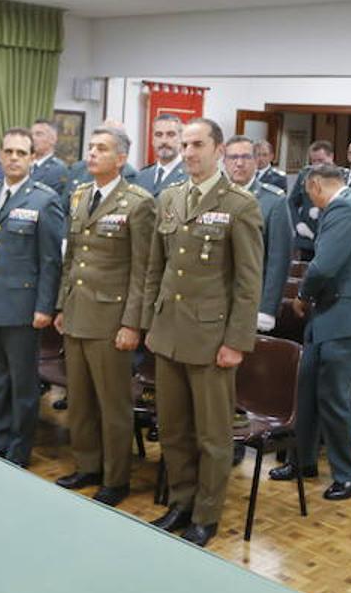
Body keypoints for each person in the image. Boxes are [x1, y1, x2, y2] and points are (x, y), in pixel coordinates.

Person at [141, 118, 264, 547]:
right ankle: (180, 501)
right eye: (184, 143)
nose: (189, 152)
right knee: (172, 428)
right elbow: (156, 268)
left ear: (218, 150)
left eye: (198, 144)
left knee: (212, 436)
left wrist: (236, 342)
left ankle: (206, 514)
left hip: (212, 339)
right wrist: (148, 324)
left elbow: (249, 282)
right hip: (168, 332)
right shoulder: (170, 197)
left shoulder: (239, 204)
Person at [272, 163, 351, 500]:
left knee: (333, 394)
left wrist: (302, 295)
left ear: (314, 185)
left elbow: (324, 264)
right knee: (307, 385)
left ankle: (350, 474)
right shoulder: (350, 204)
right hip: (333, 312)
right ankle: (303, 460)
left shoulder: (345, 207)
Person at [54, 125, 155, 505]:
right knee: (79, 399)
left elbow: (143, 271)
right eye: (91, 148)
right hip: (79, 311)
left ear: (122, 158)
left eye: (101, 148)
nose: (91, 154)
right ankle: (87, 465)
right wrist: (63, 304)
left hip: (112, 320)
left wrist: (132, 323)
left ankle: (116, 478)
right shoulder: (80, 195)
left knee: (112, 404)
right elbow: (71, 258)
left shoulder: (139, 202)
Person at [0, 128, 64, 466]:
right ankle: (0, 439)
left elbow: (51, 261)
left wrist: (44, 307)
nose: (14, 158)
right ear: (0, 156)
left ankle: (19, 449)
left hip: (23, 308)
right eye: (9, 152)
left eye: (22, 153)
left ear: (33, 158)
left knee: (23, 384)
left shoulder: (44, 199)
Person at [224, 135, 292, 334]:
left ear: (256, 161)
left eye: (246, 157)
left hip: (250, 300)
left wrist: (267, 309)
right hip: (213, 301)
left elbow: (279, 260)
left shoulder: (273, 201)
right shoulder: (214, 196)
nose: (239, 163)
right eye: (233, 158)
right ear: (224, 161)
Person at [289, 140, 335, 261]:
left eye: (321, 160)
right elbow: (291, 202)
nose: (317, 165)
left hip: (329, 238)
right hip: (306, 239)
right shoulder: (305, 174)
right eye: (314, 161)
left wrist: (321, 212)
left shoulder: (340, 176)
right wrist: (297, 223)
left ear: (331, 157)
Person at [136, 113, 187, 197]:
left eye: (170, 134)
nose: (164, 141)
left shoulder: (191, 175)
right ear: (153, 140)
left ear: (181, 138)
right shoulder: (141, 176)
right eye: (158, 135)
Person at [29, 119, 70, 197]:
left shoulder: (58, 169)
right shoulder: (26, 164)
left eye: (39, 134)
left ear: (53, 139)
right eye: (31, 135)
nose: (33, 138)